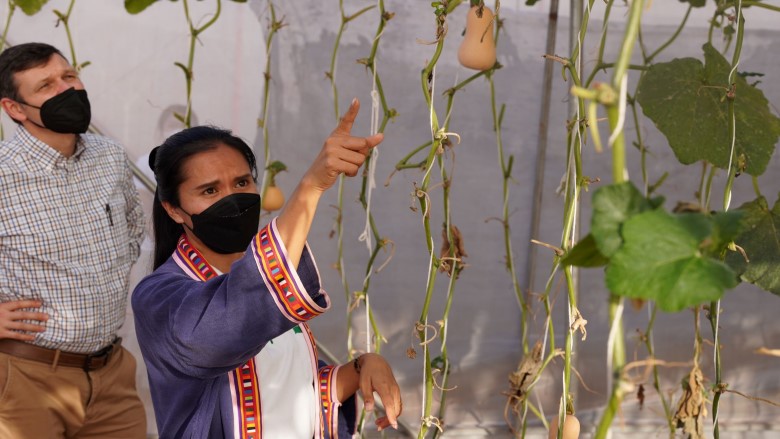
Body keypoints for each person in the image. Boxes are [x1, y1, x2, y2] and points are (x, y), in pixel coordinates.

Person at [133, 100, 402, 439]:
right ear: (174, 210)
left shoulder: (270, 276)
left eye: (243, 183)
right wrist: (311, 186)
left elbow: (297, 389)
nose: (231, 199)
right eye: (210, 190)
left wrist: (365, 365)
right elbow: (231, 322)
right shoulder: (158, 297)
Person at [0, 42, 147, 437]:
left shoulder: (111, 157)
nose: (66, 90)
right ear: (15, 109)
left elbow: (133, 232)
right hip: (24, 381)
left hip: (111, 376)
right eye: (45, 86)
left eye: (69, 76)